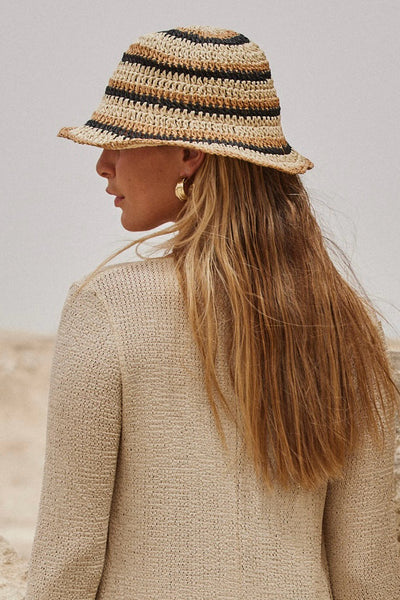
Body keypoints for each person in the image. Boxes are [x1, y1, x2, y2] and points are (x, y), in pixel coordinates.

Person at [25, 26, 400, 600]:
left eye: (121, 141)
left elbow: (69, 557)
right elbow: (366, 569)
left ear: (188, 154)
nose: (103, 164)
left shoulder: (107, 309)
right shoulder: (345, 324)